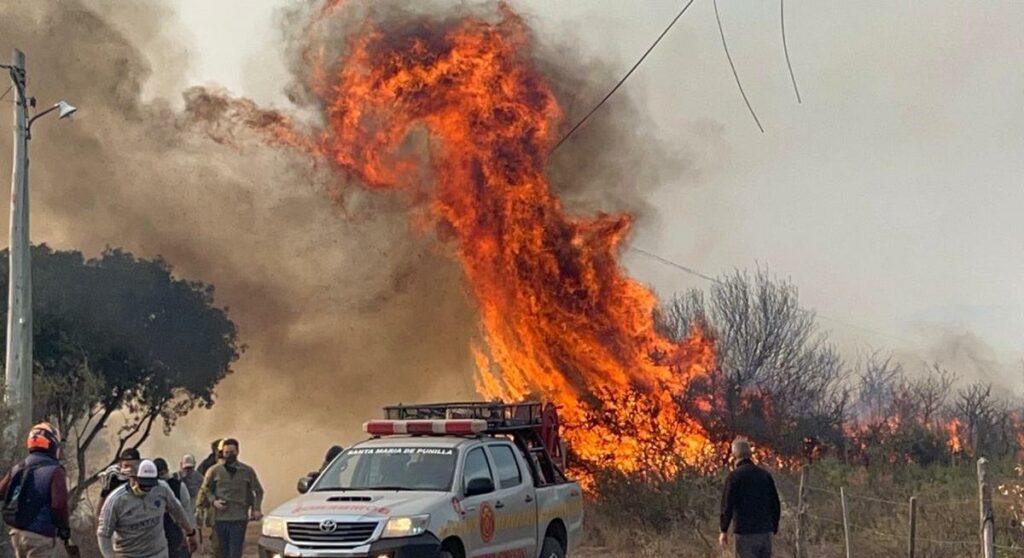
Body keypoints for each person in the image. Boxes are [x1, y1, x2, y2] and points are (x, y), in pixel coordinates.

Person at [97, 459, 197, 558]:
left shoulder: (162, 489)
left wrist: (190, 533)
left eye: (150, 485)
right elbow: (103, 533)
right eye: (143, 485)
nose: (147, 489)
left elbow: (177, 510)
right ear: (133, 478)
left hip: (158, 553)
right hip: (129, 554)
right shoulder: (116, 500)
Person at [0, 423, 70, 558]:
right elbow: (59, 505)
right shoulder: (56, 471)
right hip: (41, 537)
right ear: (52, 444)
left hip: (17, 534)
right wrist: (64, 528)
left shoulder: (18, 467)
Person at [196, 439, 263, 558]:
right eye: (226, 452)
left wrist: (256, 509)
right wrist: (213, 501)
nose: (229, 455)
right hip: (220, 519)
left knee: (235, 552)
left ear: (238, 451)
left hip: (239, 518)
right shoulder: (214, 470)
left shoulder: (247, 471)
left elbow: (258, 491)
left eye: (232, 452)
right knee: (220, 552)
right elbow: (205, 488)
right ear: (222, 453)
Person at [719, 438, 781, 558]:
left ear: (735, 455)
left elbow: (727, 505)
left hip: (744, 533)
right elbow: (775, 503)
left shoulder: (734, 477)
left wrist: (724, 530)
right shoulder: (765, 475)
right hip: (764, 533)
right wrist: (774, 526)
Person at [154, 458, 193, 558]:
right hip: (157, 537)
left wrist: (189, 533)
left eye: (162, 473)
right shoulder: (150, 488)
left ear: (167, 470)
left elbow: (186, 510)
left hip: (177, 534)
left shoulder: (178, 485)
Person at [96, 448, 141, 517]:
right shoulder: (113, 476)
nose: (129, 469)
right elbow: (102, 503)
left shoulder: (144, 473)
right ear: (120, 464)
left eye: (133, 466)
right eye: (126, 466)